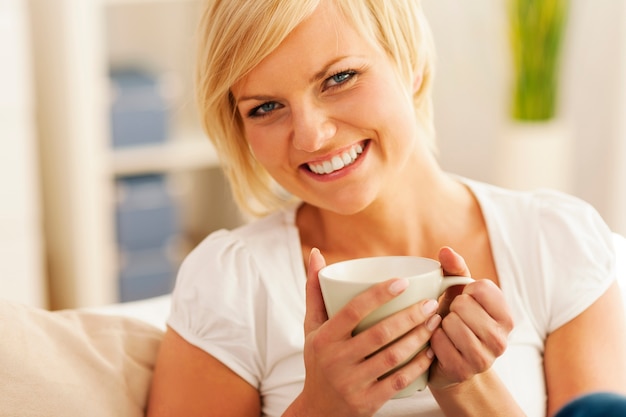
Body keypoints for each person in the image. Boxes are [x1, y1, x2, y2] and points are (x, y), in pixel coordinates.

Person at [147, 1, 626, 416]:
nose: (311, 136)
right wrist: (321, 407)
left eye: (339, 77)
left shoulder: (554, 242)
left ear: (411, 63)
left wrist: (469, 386)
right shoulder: (230, 280)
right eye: (266, 108)